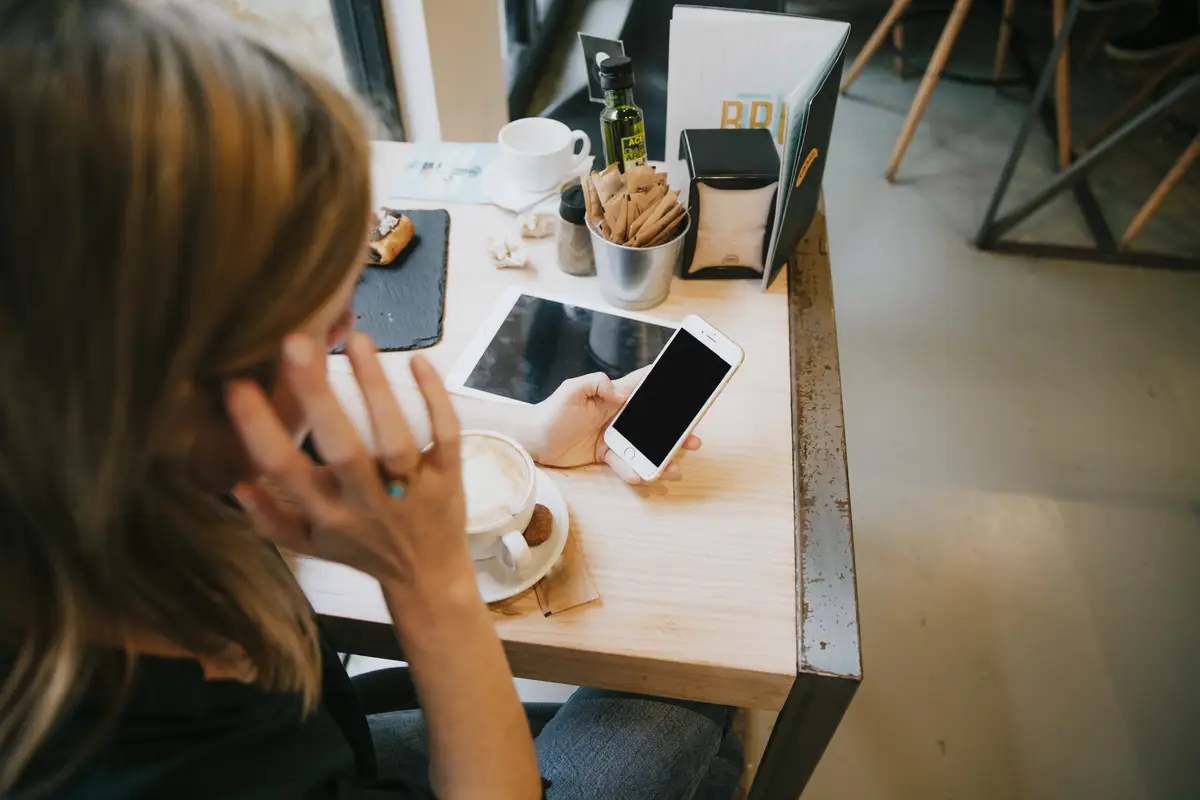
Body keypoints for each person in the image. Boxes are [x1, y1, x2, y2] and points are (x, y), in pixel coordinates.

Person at [0, 1, 741, 798]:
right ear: (173, 378)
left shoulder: (99, 457)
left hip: (332, 728)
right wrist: (431, 589)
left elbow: (339, 411)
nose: (350, 329)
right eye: (320, 313)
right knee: (696, 688)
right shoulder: (185, 769)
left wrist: (532, 430)